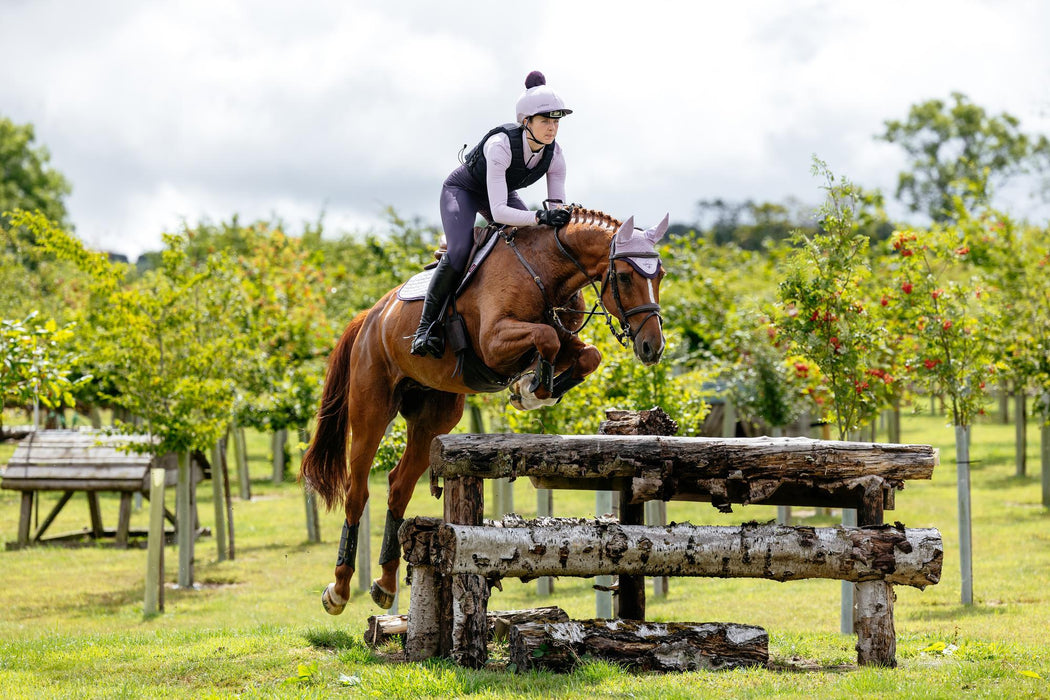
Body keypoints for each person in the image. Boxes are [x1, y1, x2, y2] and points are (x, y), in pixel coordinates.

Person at [409, 70, 574, 358]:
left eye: (556, 122)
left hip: (501, 193)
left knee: (536, 243)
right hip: (464, 190)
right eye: (545, 121)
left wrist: (558, 218)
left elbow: (554, 208)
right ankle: (424, 329)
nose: (552, 128)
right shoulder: (500, 146)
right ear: (526, 122)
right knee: (459, 251)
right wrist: (540, 217)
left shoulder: (555, 154)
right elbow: (498, 212)